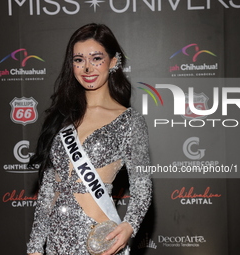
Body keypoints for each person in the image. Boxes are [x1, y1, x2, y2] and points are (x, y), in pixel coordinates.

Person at [26, 23, 152, 255]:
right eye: (78, 60)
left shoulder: (129, 121)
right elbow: (47, 190)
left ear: (113, 62)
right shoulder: (60, 118)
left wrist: (129, 226)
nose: (87, 68)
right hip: (56, 242)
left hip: (97, 240)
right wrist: (35, 247)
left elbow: (142, 186)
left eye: (96, 58)